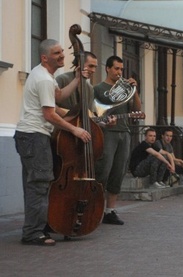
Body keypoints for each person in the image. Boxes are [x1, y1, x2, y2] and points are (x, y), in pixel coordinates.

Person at [14, 39, 91, 246]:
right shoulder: (44, 79)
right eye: (57, 53)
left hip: (30, 136)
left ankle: (37, 227)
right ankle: (33, 233)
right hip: (35, 136)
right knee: (38, 186)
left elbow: (57, 98)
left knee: (36, 185)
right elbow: (49, 114)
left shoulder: (44, 75)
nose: (62, 55)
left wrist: (76, 79)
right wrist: (75, 128)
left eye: (61, 52)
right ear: (45, 57)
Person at [94, 55, 141, 225]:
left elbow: (137, 110)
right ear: (107, 68)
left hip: (124, 132)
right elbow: (95, 113)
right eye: (116, 68)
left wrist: (135, 91)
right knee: (103, 169)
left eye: (121, 69)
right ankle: (95, 208)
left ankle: (110, 211)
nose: (119, 72)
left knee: (118, 171)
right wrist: (105, 121)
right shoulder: (98, 88)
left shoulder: (126, 89)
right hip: (107, 134)